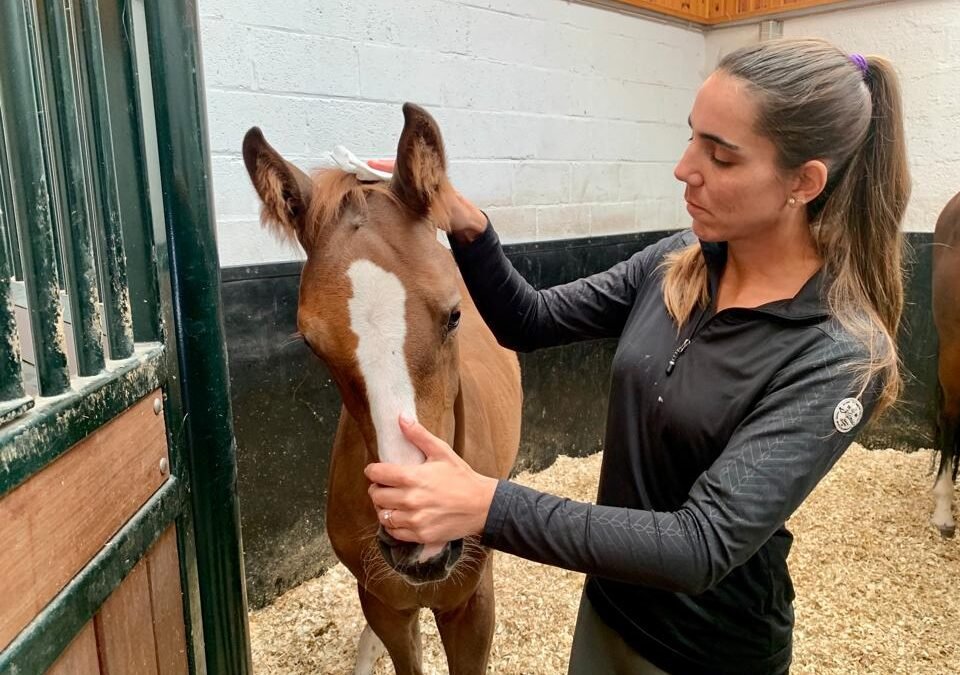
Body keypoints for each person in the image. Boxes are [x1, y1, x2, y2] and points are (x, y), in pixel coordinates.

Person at [365, 37, 910, 674]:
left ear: (803, 182)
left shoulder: (838, 353)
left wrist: (488, 505)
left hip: (707, 652)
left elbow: (699, 545)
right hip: (609, 613)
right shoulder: (677, 264)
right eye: (692, 137)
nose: (685, 168)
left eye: (721, 155)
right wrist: (464, 220)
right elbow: (529, 319)